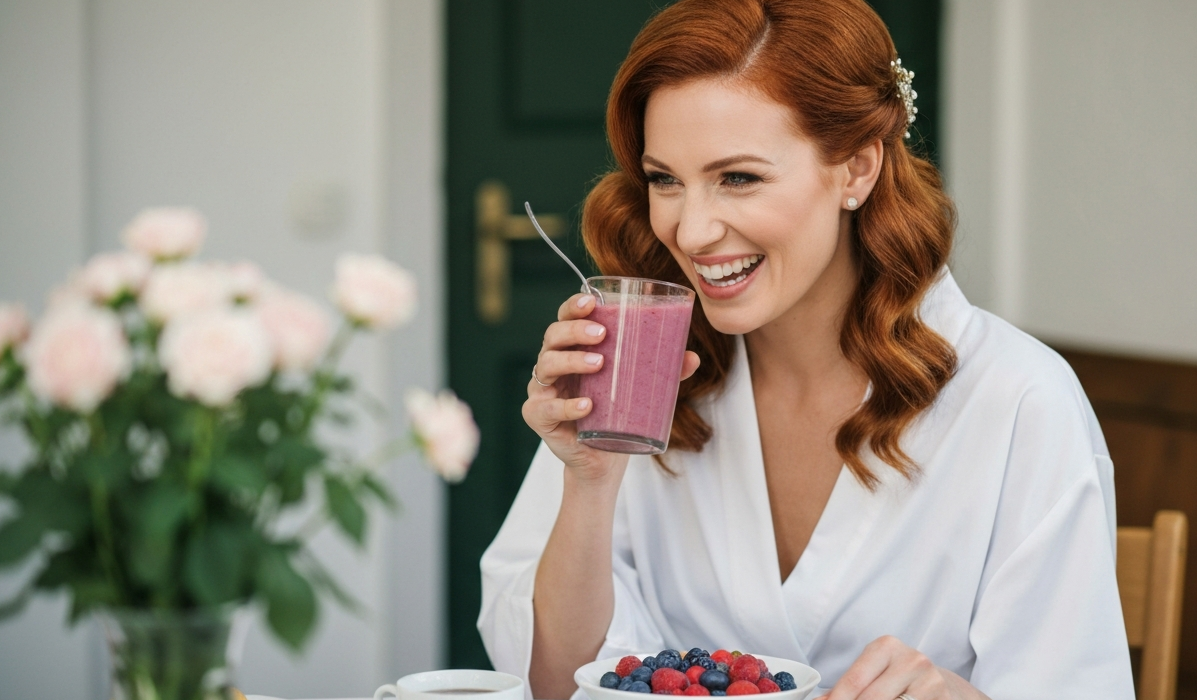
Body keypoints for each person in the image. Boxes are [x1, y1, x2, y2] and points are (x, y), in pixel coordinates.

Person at [479, 1, 1134, 699]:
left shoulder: (1019, 402)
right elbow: (556, 686)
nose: (691, 231)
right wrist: (589, 480)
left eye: (738, 177)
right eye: (665, 178)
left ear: (856, 168)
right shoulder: (637, 384)